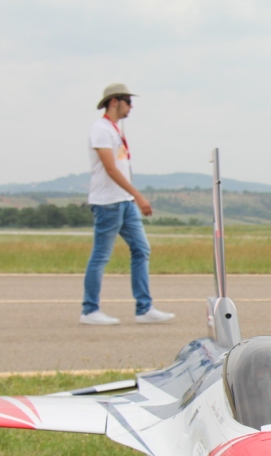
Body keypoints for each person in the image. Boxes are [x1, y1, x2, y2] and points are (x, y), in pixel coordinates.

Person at [80, 83, 175, 325]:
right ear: (115, 102)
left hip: (124, 201)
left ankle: (144, 308)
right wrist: (138, 195)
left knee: (141, 249)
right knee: (101, 256)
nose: (131, 107)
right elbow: (111, 169)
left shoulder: (114, 130)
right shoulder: (101, 130)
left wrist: (132, 197)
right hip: (108, 203)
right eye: (128, 102)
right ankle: (90, 310)